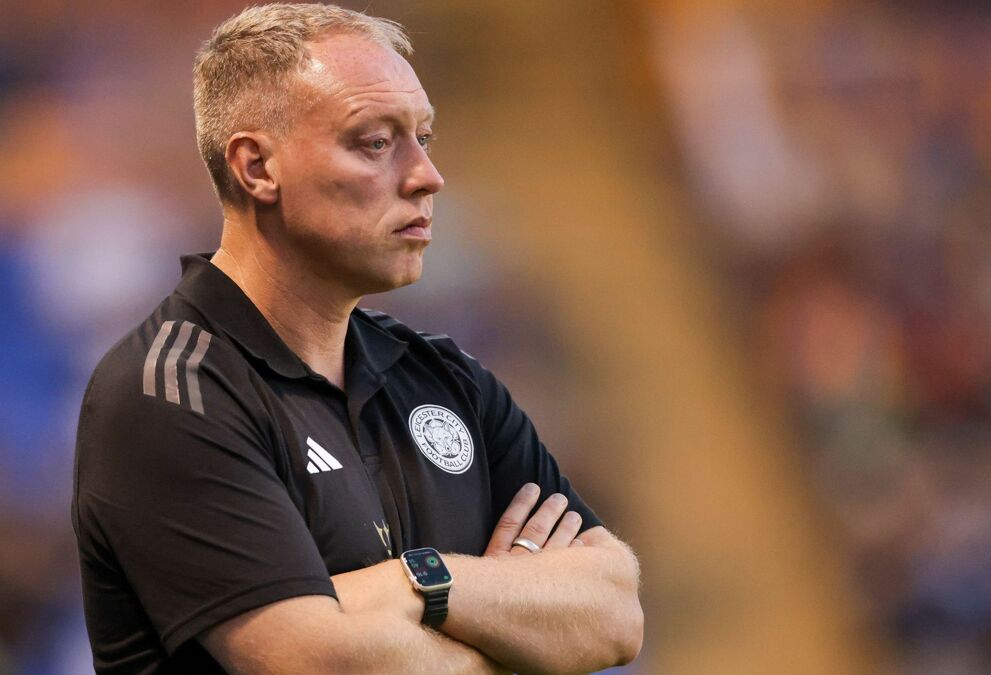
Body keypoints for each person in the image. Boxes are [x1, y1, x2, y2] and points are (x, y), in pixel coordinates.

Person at [71, 4, 644, 673]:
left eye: (423, 139)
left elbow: (616, 609)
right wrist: (510, 625)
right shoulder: (166, 395)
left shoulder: (444, 376)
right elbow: (320, 661)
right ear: (257, 167)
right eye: (375, 142)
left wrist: (419, 583)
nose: (426, 176)